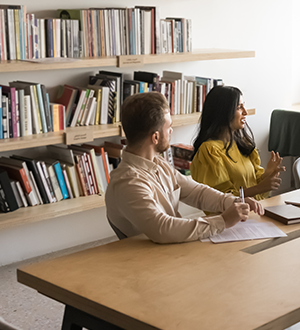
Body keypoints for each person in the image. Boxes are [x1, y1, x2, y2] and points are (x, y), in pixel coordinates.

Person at [105, 91, 264, 244]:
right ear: (155, 137)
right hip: (149, 262)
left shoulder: (158, 163)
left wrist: (233, 202)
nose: (172, 131)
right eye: (169, 127)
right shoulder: (128, 182)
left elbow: (197, 193)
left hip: (172, 251)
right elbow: (163, 229)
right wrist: (222, 221)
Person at [190, 86, 284, 200]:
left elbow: (258, 193)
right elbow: (219, 200)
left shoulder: (242, 145)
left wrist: (268, 175)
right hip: (232, 217)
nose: (245, 112)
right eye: (239, 107)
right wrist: (260, 188)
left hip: (255, 213)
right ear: (223, 112)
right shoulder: (209, 151)